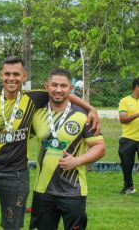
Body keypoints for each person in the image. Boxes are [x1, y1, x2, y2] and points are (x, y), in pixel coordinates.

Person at [0, 56, 100, 230]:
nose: (11, 78)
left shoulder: (35, 97)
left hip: (16, 174)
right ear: (1, 75)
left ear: (24, 76)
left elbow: (63, 93)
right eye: (7, 74)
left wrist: (90, 109)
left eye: (16, 74)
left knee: (12, 227)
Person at [29, 68, 105, 230]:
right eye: (54, 85)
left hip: (73, 192)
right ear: (46, 86)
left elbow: (100, 147)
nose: (58, 90)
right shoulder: (36, 113)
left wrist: (76, 160)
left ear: (71, 89)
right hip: (43, 191)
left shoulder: (84, 116)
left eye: (63, 86)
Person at [118, 77, 139, 195]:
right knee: (126, 165)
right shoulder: (124, 101)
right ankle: (129, 187)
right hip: (128, 138)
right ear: (136, 87)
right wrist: (137, 114)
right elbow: (123, 119)